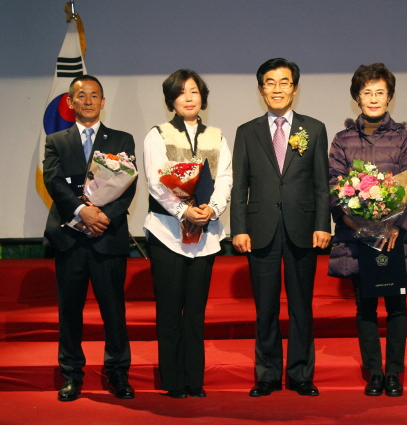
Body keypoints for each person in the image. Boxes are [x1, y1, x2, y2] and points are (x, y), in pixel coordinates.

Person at [231, 58, 331, 397]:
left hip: (303, 228)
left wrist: (323, 223)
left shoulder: (313, 129)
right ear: (261, 90)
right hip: (260, 229)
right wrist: (239, 228)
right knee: (266, 307)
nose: (277, 89)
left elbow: (322, 184)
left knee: (302, 305)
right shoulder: (247, 131)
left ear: (295, 87)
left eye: (284, 82)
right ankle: (268, 375)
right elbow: (239, 185)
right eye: (270, 83)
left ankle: (301, 374)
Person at [328, 63, 407, 397]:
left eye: (380, 92)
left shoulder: (404, 137)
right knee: (365, 305)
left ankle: (394, 372)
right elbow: (335, 184)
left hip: (396, 236)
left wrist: (396, 225)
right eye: (366, 92)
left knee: (397, 305)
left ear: (390, 97)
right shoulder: (342, 140)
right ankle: (375, 374)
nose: (373, 98)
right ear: (357, 98)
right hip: (358, 235)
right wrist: (358, 223)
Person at [43, 75, 137, 402]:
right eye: (81, 95)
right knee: (70, 312)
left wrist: (104, 217)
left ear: (102, 102)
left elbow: (127, 188)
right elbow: (53, 182)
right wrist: (81, 212)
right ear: (70, 102)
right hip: (69, 239)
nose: (87, 100)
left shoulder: (121, 140)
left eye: (94, 95)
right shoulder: (56, 140)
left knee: (114, 312)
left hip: (107, 238)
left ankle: (118, 375)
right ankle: (71, 375)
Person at [143, 69, 232, 399]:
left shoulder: (217, 136)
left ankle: (194, 381)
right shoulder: (157, 134)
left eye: (194, 91)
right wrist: (183, 211)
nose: (189, 97)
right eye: (181, 93)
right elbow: (155, 181)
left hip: (205, 235)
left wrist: (211, 208)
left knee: (195, 313)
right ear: (172, 100)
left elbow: (225, 178)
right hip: (167, 234)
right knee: (169, 311)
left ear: (203, 97)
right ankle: (173, 381)